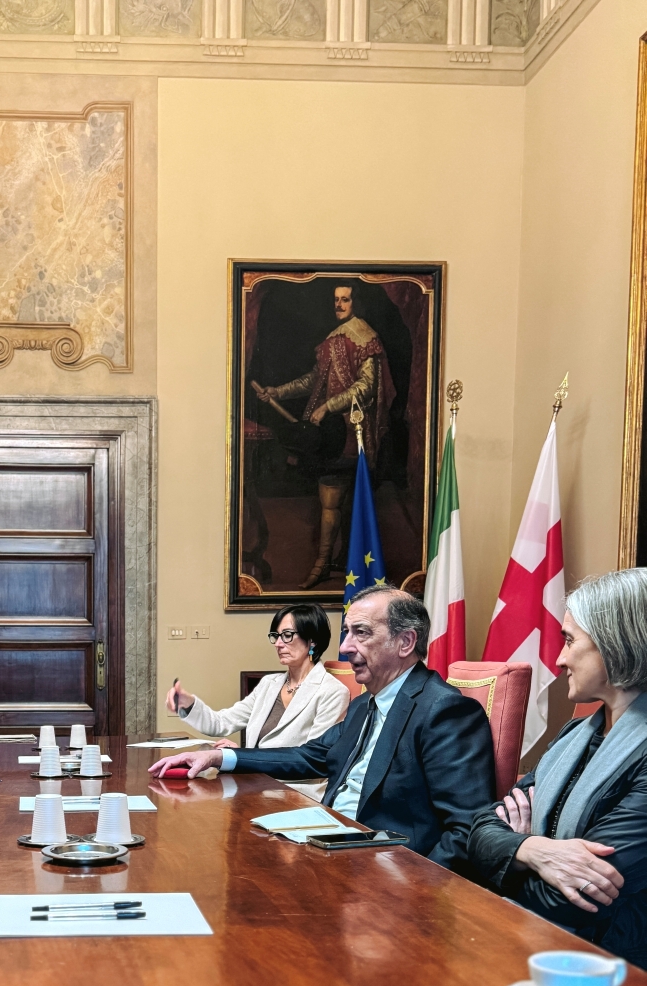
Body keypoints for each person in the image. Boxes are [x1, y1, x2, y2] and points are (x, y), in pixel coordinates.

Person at [149, 585, 495, 869]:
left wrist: (418, 890)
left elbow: (466, 830)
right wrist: (217, 758)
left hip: (385, 867)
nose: (345, 648)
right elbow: (309, 756)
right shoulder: (364, 704)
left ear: (405, 642)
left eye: (361, 633)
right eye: (347, 633)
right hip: (329, 844)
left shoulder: (445, 711)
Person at [467, 569, 647, 966]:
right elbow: (479, 831)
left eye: (569, 640)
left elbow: (576, 898)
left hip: (613, 972)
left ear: (616, 643)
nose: (559, 658)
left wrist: (512, 852)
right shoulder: (575, 733)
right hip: (538, 942)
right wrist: (533, 847)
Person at [251, 282, 397, 587]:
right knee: (330, 499)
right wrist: (276, 391)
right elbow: (312, 381)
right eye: (336, 300)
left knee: (348, 502)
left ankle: (343, 564)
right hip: (330, 434)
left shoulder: (366, 337)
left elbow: (366, 387)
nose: (339, 304)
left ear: (356, 302)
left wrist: (328, 406)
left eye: (345, 299)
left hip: (351, 431)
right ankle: (324, 562)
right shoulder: (333, 339)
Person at [168, 603, 349, 749]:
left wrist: (241, 757)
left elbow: (311, 758)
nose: (278, 644)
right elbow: (221, 722)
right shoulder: (268, 684)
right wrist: (188, 703)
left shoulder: (332, 692)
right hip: (256, 781)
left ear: (312, 641)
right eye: (275, 636)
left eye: (286, 635)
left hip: (296, 789)